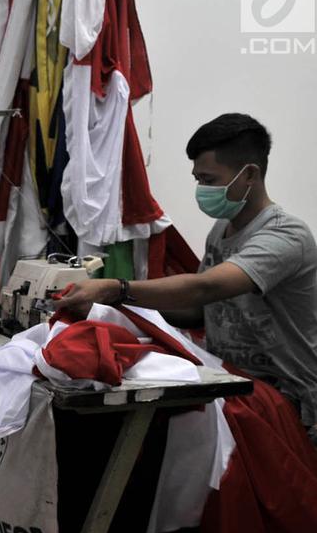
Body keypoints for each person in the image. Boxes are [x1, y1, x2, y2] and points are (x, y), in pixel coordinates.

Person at [56, 113, 317, 435]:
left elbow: (205, 288)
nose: (201, 189)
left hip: (288, 401)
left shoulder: (285, 236)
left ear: (250, 174)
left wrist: (116, 288)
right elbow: (196, 311)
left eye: (208, 180)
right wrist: (113, 310)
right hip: (232, 385)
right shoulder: (223, 229)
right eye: (198, 179)